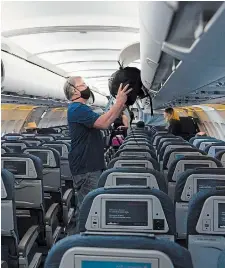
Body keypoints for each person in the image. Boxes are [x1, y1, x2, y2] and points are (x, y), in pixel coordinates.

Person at [63, 76, 132, 209]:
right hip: (86, 168)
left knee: (93, 206)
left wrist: (120, 105)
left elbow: (107, 120)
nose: (86, 87)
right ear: (74, 91)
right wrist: (118, 103)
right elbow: (103, 123)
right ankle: (82, 230)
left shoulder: (82, 108)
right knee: (88, 209)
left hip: (90, 165)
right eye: (83, 85)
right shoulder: (77, 109)